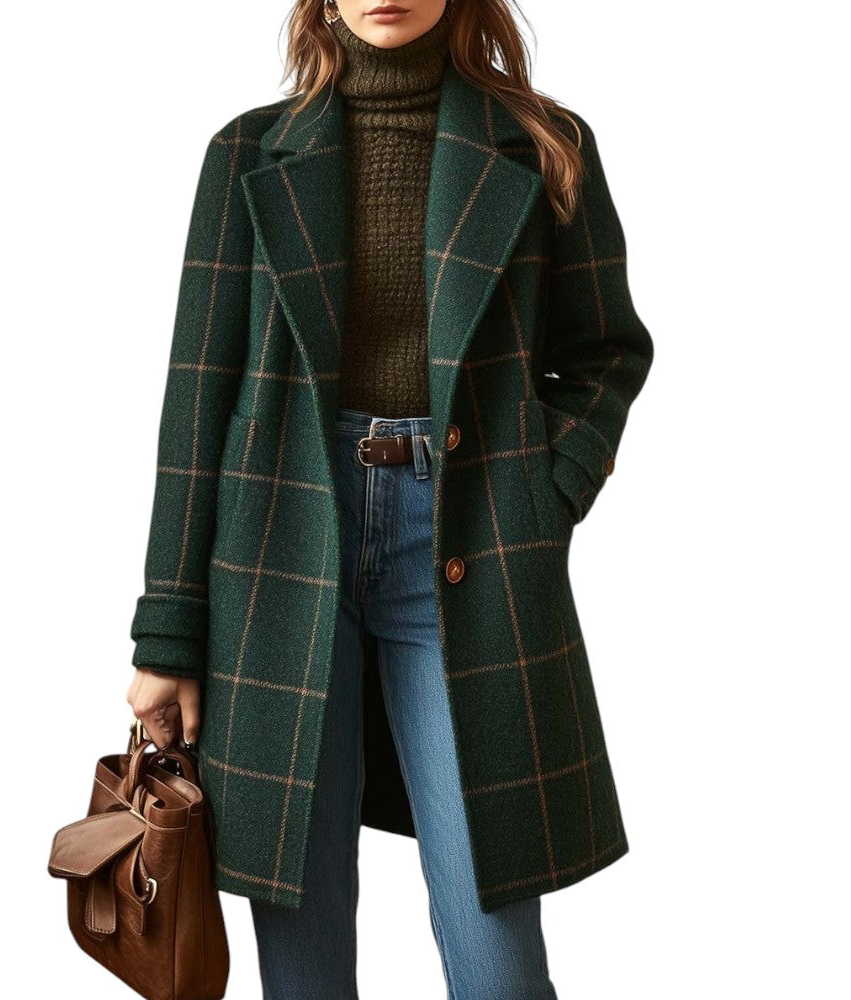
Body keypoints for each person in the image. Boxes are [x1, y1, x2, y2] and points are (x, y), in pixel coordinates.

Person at [126, 1, 654, 996]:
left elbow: (604, 354)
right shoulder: (246, 155)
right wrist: (168, 634)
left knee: (495, 938)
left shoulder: (543, 144)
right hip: (282, 541)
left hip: (466, 535)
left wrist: (543, 491)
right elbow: (197, 400)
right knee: (300, 928)